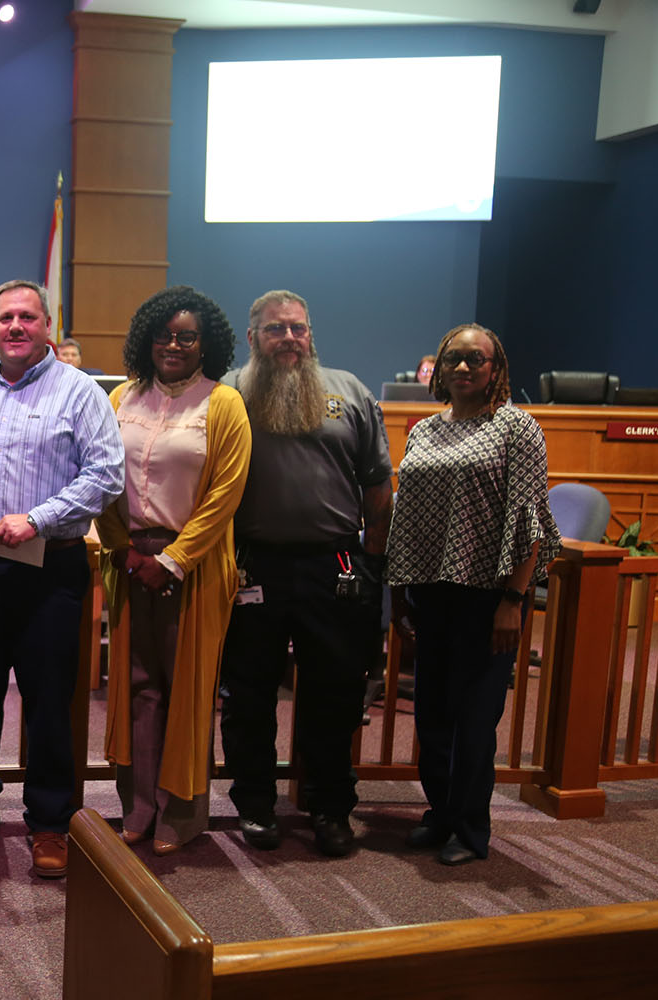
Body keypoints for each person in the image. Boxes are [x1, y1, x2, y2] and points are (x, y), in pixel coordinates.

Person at [0, 280, 123, 879]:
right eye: (6, 317)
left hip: (50, 569)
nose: (16, 326)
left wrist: (36, 518)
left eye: (28, 317)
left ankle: (50, 822)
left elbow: (106, 474)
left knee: (48, 700)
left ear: (46, 325)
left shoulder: (81, 392)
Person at [218, 290, 393, 858]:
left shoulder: (350, 392)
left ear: (311, 334)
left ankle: (330, 805)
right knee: (248, 693)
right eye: (275, 329)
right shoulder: (227, 394)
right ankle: (256, 805)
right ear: (253, 339)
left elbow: (377, 486)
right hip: (251, 566)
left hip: (336, 566)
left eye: (298, 328)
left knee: (334, 694)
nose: (289, 338)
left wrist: (371, 563)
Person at [388, 324, 560, 865]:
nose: (463, 367)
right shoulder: (424, 431)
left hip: (488, 597)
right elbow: (409, 514)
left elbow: (532, 524)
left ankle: (470, 828)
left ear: (496, 368)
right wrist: (401, 591)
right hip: (431, 591)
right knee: (433, 715)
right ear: (439, 368)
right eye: (453, 358)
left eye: (476, 359)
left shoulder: (518, 429)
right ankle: (440, 815)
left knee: (475, 718)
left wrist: (515, 600)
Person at [95, 286, 251, 854]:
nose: (175, 345)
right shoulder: (122, 399)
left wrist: (172, 560)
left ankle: (180, 815)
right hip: (131, 562)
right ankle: (137, 806)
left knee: (186, 689)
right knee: (139, 688)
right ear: (147, 340)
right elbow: (103, 480)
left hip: (195, 566)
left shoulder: (224, 403)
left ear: (206, 343)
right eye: (164, 334)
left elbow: (226, 495)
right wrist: (121, 549)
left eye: (187, 336)